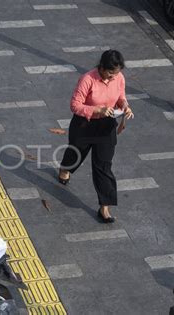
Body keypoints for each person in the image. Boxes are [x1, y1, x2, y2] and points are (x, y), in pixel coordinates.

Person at [58, 50, 134, 223]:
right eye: (110, 73)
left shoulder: (119, 77)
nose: (113, 76)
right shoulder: (87, 79)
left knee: (103, 166)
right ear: (102, 67)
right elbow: (75, 105)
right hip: (84, 125)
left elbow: (121, 96)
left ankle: (104, 207)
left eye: (116, 73)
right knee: (76, 153)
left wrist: (125, 106)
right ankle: (65, 168)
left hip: (106, 126)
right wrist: (97, 110)